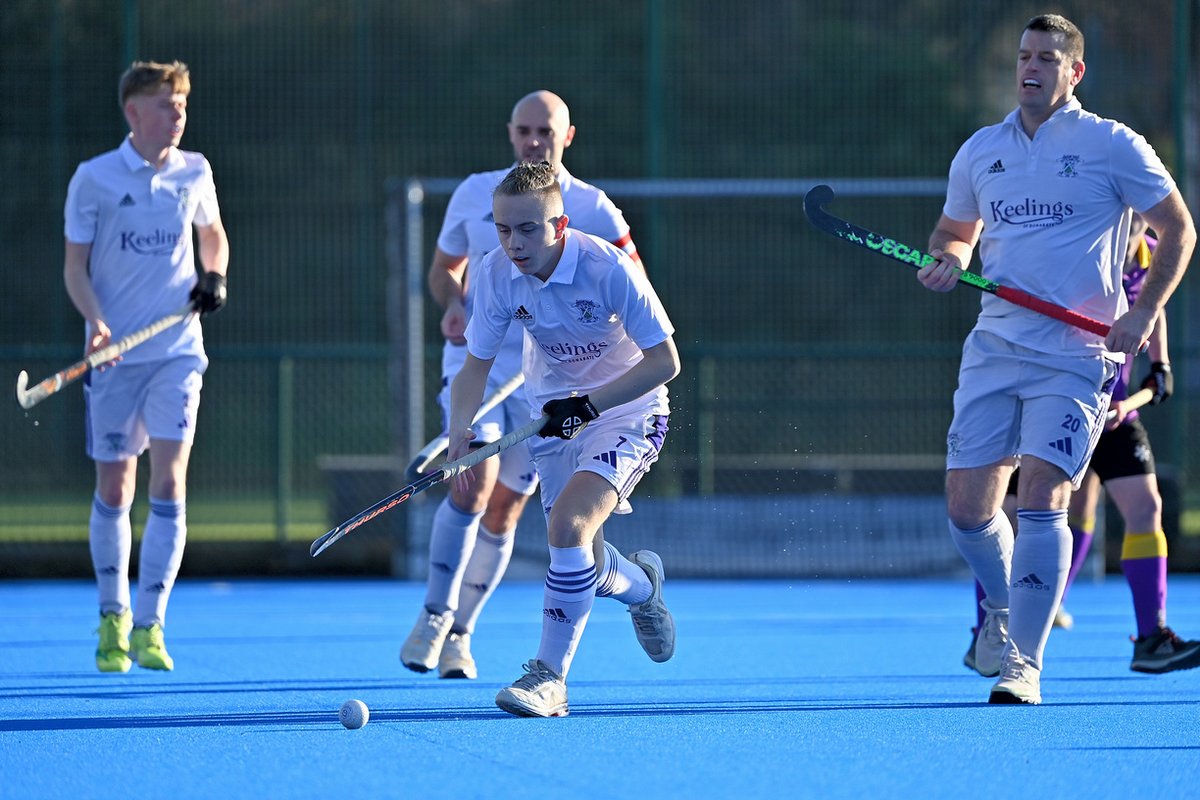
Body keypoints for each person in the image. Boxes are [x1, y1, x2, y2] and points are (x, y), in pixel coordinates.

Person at [920, 14, 1195, 704]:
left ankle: (1025, 665)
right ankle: (1008, 606)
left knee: (1046, 497)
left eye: (1046, 57)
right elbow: (955, 231)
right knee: (966, 510)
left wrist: (1143, 311)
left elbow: (1178, 230)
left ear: (1074, 72)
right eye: (1023, 56)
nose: (1029, 68)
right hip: (994, 347)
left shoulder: (1112, 145)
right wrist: (949, 260)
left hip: (1076, 357)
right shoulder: (982, 150)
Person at [401, 90, 642, 680]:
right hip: (477, 363)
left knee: (508, 508)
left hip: (551, 380)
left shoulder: (595, 211)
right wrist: (454, 305)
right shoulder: (477, 195)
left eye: (546, 131)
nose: (534, 141)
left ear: (568, 136)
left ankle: (462, 632)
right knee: (471, 483)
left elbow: (633, 295)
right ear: (510, 132)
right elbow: (443, 272)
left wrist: (591, 380)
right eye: (525, 131)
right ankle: (434, 614)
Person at [446, 161, 679, 717]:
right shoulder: (496, 272)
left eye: (528, 229)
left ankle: (549, 679)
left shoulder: (607, 267)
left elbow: (665, 361)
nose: (514, 243)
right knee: (586, 562)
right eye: (503, 229)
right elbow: (474, 366)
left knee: (567, 525)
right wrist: (460, 429)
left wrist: (592, 405)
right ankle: (644, 588)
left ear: (561, 224)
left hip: (628, 411)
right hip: (552, 416)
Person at [964, 217, 1200, 675]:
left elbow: (1154, 305)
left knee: (1145, 507)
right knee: (1010, 515)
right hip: (1058, 399)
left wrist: (1160, 364)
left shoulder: (1153, 250)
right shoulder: (1079, 243)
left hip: (1115, 413)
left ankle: (1151, 638)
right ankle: (987, 633)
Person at [64, 60, 229, 672]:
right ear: (133, 113)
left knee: (169, 482)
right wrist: (97, 323)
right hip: (113, 358)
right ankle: (113, 616)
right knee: (115, 487)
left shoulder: (195, 171)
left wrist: (214, 276)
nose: (178, 113)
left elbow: (213, 236)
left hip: (178, 352)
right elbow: (74, 268)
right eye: (166, 104)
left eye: (182, 103)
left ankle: (152, 625)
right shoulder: (94, 179)